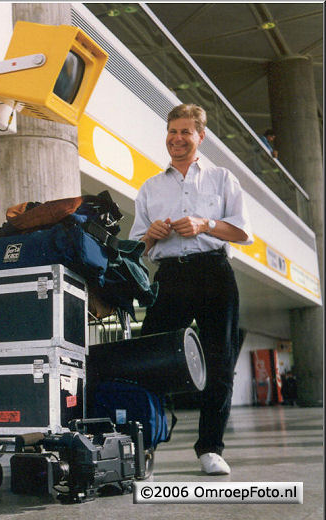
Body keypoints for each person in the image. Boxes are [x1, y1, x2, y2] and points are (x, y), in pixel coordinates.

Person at [129, 103, 253, 476]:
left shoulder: (222, 178)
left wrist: (205, 223)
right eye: (172, 131)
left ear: (201, 136)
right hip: (170, 276)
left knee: (219, 362)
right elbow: (136, 249)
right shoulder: (150, 187)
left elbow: (243, 233)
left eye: (186, 132)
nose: (177, 138)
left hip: (214, 273)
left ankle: (210, 449)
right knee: (149, 359)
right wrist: (148, 237)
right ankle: (143, 444)